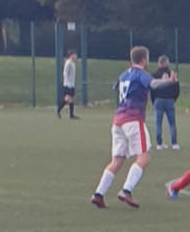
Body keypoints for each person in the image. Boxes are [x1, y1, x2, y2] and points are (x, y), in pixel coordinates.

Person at [91, 46, 152, 209]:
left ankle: (98, 194)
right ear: (143, 60)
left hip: (118, 120)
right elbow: (154, 85)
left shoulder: (123, 74)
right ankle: (126, 190)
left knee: (117, 160)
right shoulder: (141, 74)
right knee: (143, 158)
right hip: (133, 119)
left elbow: (117, 87)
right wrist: (170, 83)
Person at [150, 55, 180, 148]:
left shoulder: (155, 74)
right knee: (172, 123)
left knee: (158, 123)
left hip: (158, 100)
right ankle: (174, 143)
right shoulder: (172, 74)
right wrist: (173, 98)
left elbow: (152, 89)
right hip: (170, 100)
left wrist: (154, 100)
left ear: (159, 63)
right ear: (167, 63)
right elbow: (177, 88)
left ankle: (159, 144)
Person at [58, 49, 78, 120]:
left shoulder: (73, 63)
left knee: (71, 99)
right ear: (71, 55)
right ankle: (58, 110)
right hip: (68, 84)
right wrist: (67, 83)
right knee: (67, 99)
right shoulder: (68, 62)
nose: (76, 56)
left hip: (72, 84)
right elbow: (65, 73)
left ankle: (71, 115)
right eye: (74, 54)